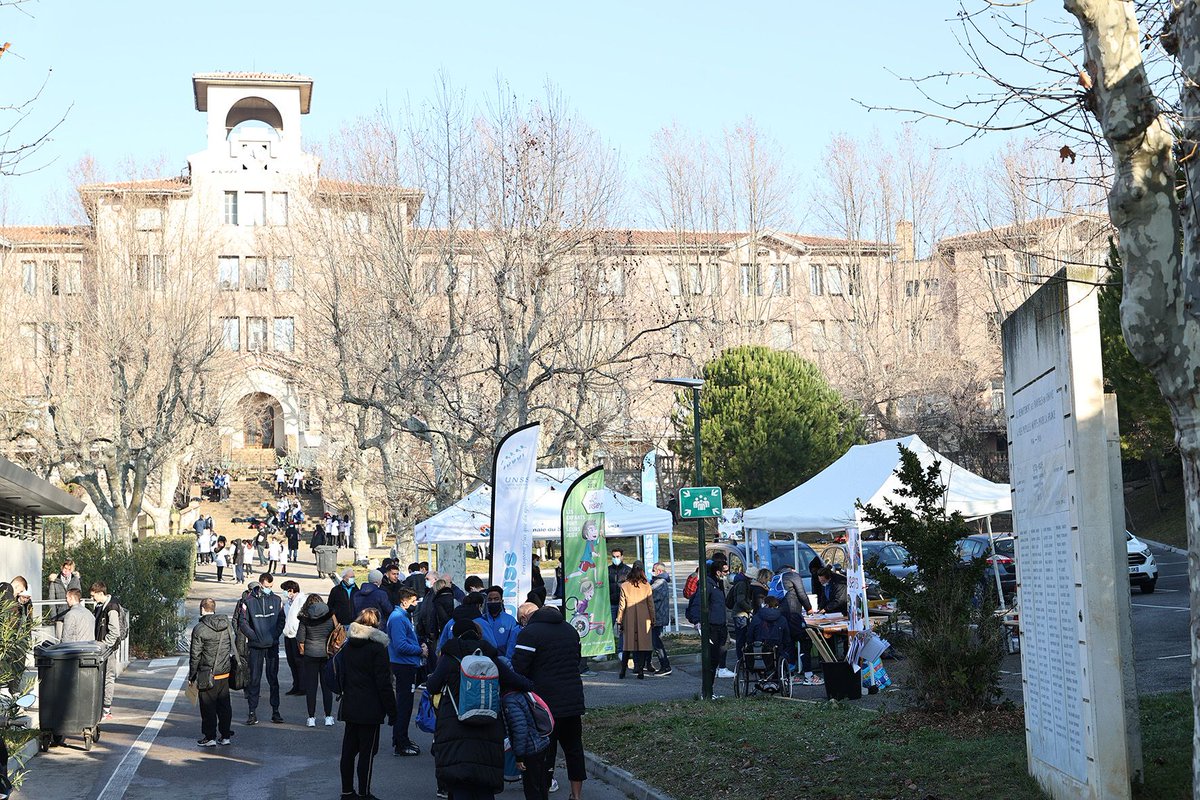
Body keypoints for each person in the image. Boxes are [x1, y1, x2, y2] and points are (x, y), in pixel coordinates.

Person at [429, 619, 533, 800]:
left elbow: (432, 686)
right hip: (488, 726)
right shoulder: (490, 658)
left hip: (455, 726)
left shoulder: (449, 658)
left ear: (455, 635)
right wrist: (534, 685)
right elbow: (514, 680)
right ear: (479, 635)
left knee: (459, 781)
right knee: (485, 782)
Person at [512, 604, 586, 800]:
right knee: (574, 749)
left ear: (527, 617)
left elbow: (519, 668)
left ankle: (543, 792)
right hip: (573, 700)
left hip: (544, 704)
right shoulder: (570, 629)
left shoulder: (530, 633)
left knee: (544, 751)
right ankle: (576, 795)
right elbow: (577, 659)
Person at [337, 608, 395, 800]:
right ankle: (364, 792)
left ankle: (347, 791)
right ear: (376, 624)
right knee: (367, 752)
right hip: (371, 707)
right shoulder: (377, 648)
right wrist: (392, 710)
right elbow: (383, 683)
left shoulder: (348, 645)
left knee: (348, 751)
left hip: (350, 703)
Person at [237, 573, 286, 725]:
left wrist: (274, 635)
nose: (268, 590)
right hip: (256, 646)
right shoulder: (248, 601)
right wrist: (254, 636)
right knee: (254, 680)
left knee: (273, 680)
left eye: (271, 587)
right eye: (266, 587)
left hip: (272, 645)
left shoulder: (277, 600)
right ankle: (252, 712)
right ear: (260, 584)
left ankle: (275, 712)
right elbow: (242, 622)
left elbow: (281, 620)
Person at [188, 598, 235, 747]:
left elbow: (195, 655)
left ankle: (210, 737)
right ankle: (226, 735)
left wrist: (192, 675)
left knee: (208, 707)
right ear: (214, 609)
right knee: (224, 705)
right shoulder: (226, 624)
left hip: (207, 673)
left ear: (202, 609)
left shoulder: (200, 628)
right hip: (225, 671)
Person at [385, 588, 425, 757]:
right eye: (413, 601)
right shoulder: (398, 619)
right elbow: (400, 646)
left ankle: (402, 739)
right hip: (403, 666)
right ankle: (400, 743)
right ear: (404, 601)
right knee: (404, 705)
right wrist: (419, 650)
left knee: (406, 705)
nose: (415, 604)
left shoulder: (402, 617)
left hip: (406, 665)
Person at [686, 562, 733, 696]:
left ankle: (709, 691)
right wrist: (697, 621)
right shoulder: (708, 585)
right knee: (711, 661)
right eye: (724, 571)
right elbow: (697, 603)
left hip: (719, 626)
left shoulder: (717, 585)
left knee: (715, 659)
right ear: (717, 572)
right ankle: (707, 692)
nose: (727, 574)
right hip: (712, 627)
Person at [776, 563, 821, 685]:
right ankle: (809, 676)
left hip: (781, 616)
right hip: (793, 614)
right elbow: (802, 594)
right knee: (805, 641)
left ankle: (790, 676)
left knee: (788, 644)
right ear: (792, 570)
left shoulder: (777, 578)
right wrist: (809, 608)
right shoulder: (794, 576)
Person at [296, 593, 337, 727]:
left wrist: (302, 651)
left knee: (311, 687)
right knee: (326, 687)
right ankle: (328, 716)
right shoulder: (330, 616)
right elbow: (336, 632)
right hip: (326, 654)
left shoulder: (305, 618)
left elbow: (300, 639)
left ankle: (311, 717)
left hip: (310, 654)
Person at [616, 563, 655, 680]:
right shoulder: (646, 585)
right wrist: (653, 619)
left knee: (627, 646)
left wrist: (619, 620)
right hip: (644, 616)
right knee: (642, 646)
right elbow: (651, 605)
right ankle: (641, 672)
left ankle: (623, 671)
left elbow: (622, 605)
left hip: (629, 616)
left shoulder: (625, 585)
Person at [90, 581, 123, 719]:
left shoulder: (112, 607)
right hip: (102, 648)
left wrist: (104, 645)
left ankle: (106, 707)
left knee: (108, 677)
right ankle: (102, 706)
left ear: (100, 593)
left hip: (108, 649)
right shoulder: (100, 606)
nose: (92, 599)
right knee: (102, 677)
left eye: (93, 596)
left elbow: (114, 631)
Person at [478, 586, 519, 659]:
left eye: (496, 599)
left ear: (502, 601)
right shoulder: (481, 620)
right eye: (490, 599)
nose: (493, 602)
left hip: (504, 662)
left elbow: (512, 644)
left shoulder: (511, 621)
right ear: (486, 601)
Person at [279, 579, 305, 697]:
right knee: (291, 661)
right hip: (288, 635)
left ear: (291, 590)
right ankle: (296, 685)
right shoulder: (288, 602)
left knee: (299, 661)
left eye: (285, 590)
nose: (284, 593)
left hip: (297, 636)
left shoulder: (302, 601)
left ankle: (302, 686)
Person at [649, 562, 672, 676]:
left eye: (654, 569)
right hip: (658, 616)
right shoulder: (658, 582)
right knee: (655, 642)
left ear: (660, 571)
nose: (652, 571)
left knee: (656, 643)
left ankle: (665, 666)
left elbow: (649, 595)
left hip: (658, 616)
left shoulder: (660, 583)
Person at [606, 548, 631, 653]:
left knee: (622, 629)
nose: (615, 558)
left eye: (617, 556)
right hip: (610, 603)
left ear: (622, 557)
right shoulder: (607, 569)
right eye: (613, 557)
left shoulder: (628, 570)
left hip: (623, 604)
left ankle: (621, 651)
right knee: (607, 628)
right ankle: (605, 651)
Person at [48, 558, 81, 636]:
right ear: (62, 567)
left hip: (73, 616)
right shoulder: (55, 580)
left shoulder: (75, 580)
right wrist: (53, 617)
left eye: (69, 569)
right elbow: (51, 599)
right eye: (65, 568)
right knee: (59, 639)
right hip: (60, 617)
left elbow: (79, 596)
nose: (66, 571)